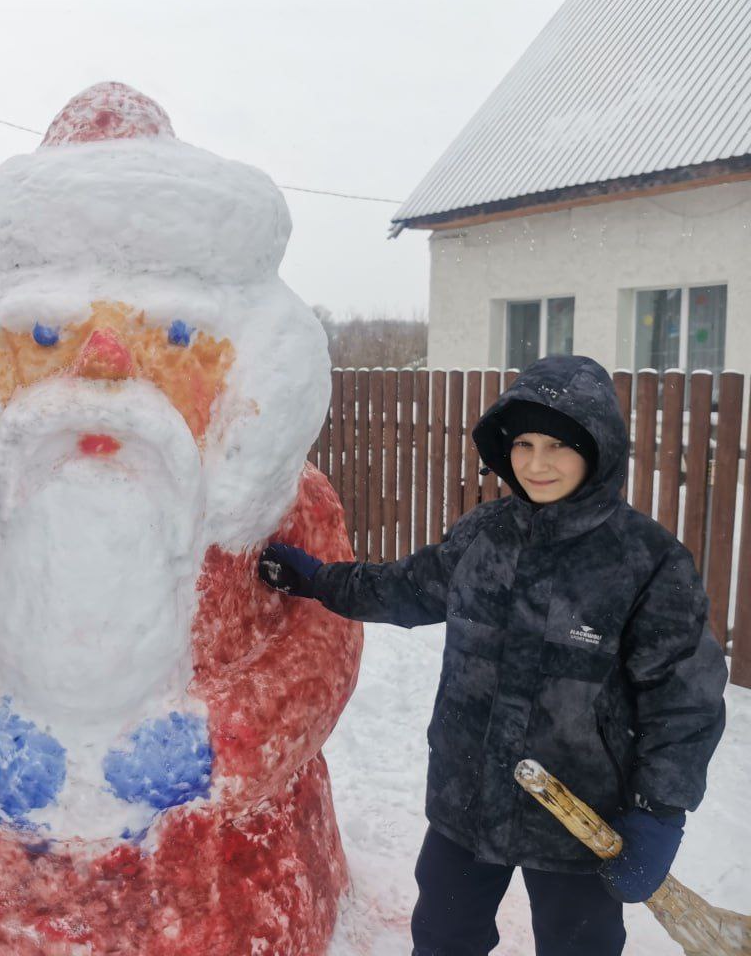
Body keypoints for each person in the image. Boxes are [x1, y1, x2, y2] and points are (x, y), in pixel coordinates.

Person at [259, 354, 727, 956]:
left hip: (579, 816)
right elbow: (403, 588)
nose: (536, 463)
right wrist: (318, 580)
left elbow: (684, 700)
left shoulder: (647, 562)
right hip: (468, 797)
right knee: (443, 938)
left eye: (558, 445)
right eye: (524, 443)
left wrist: (660, 810)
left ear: (598, 449)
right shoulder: (486, 534)